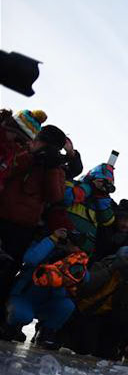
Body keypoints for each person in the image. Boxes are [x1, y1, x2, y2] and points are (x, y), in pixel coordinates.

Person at [0, 124, 68, 328]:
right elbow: (8, 170)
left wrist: (52, 167)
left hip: (23, 229)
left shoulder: (56, 168)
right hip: (2, 218)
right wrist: (32, 157)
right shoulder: (23, 153)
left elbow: (55, 196)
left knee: (7, 272)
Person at [2, 228, 89, 349]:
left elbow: (85, 279)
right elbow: (30, 259)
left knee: (67, 305)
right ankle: (11, 327)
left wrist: (75, 260)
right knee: (22, 315)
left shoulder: (74, 260)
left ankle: (46, 334)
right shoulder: (44, 247)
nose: (70, 243)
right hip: (25, 297)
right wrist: (52, 240)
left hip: (48, 301)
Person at [64, 245, 128, 359]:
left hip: (107, 315)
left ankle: (112, 346)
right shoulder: (101, 265)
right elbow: (87, 286)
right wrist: (111, 270)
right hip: (87, 311)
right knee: (84, 349)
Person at [62, 163, 116, 256]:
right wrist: (89, 186)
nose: (103, 186)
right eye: (102, 181)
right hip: (61, 243)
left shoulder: (102, 201)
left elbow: (108, 221)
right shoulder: (76, 185)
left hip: (81, 254)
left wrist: (102, 197)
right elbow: (66, 198)